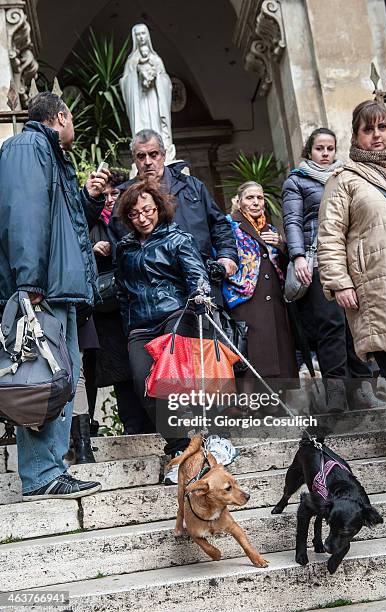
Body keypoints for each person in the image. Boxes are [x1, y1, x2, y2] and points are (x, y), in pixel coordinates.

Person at [0, 92, 109, 499]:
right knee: (41, 380)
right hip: (42, 290)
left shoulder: (44, 151)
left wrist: (91, 200)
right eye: (73, 119)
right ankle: (43, 474)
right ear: (61, 116)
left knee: (57, 378)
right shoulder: (29, 148)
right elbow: (23, 216)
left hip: (55, 289)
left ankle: (48, 471)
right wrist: (29, 285)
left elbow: (59, 221)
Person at [115, 179, 239, 485]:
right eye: (134, 213)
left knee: (178, 382)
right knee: (146, 386)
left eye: (147, 210)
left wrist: (200, 294)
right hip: (139, 325)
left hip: (176, 315)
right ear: (127, 217)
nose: (142, 218)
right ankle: (179, 450)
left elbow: (197, 275)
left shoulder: (177, 238)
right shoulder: (124, 248)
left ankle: (216, 438)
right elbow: (121, 289)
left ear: (158, 208)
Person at [318, 100, 386, 449]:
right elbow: (329, 235)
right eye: (368, 130)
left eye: (382, 127)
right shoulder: (345, 180)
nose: (377, 136)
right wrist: (339, 282)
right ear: (356, 135)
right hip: (380, 286)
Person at [282, 127, 385, 413]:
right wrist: (298, 256)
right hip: (317, 262)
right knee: (332, 326)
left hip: (351, 262)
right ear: (309, 151)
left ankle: (364, 391)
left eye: (330, 148)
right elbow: (292, 221)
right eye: (319, 148)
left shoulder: (346, 177)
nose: (325, 154)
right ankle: (337, 393)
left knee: (357, 325)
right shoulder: (298, 181)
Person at [108, 129, 239, 298]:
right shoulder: (124, 197)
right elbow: (118, 247)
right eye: (141, 156)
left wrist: (227, 256)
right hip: (152, 294)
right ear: (134, 159)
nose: (148, 162)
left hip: (201, 280)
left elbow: (219, 225)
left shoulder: (192, 186)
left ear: (163, 155)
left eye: (153, 154)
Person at [84, 169, 155, 435]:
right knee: (122, 373)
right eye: (105, 194)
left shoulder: (131, 220)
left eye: (116, 193)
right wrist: (92, 251)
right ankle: (133, 426)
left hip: (135, 306)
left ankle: (153, 425)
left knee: (146, 367)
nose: (111, 199)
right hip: (107, 312)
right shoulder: (89, 222)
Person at [223, 181, 298, 396]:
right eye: (250, 198)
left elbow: (284, 263)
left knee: (278, 353)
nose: (256, 202)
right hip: (246, 300)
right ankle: (249, 405)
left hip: (274, 298)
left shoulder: (271, 229)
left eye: (260, 198)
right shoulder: (229, 225)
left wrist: (281, 245)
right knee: (253, 356)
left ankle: (277, 403)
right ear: (238, 201)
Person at [120, 24, 175, 159]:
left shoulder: (156, 59)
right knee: (143, 126)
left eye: (143, 33)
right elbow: (124, 83)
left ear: (147, 36)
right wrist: (136, 74)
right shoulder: (131, 61)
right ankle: (144, 150)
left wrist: (157, 77)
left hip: (155, 100)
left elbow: (167, 83)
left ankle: (160, 149)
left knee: (156, 126)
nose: (141, 37)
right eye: (138, 34)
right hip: (140, 102)